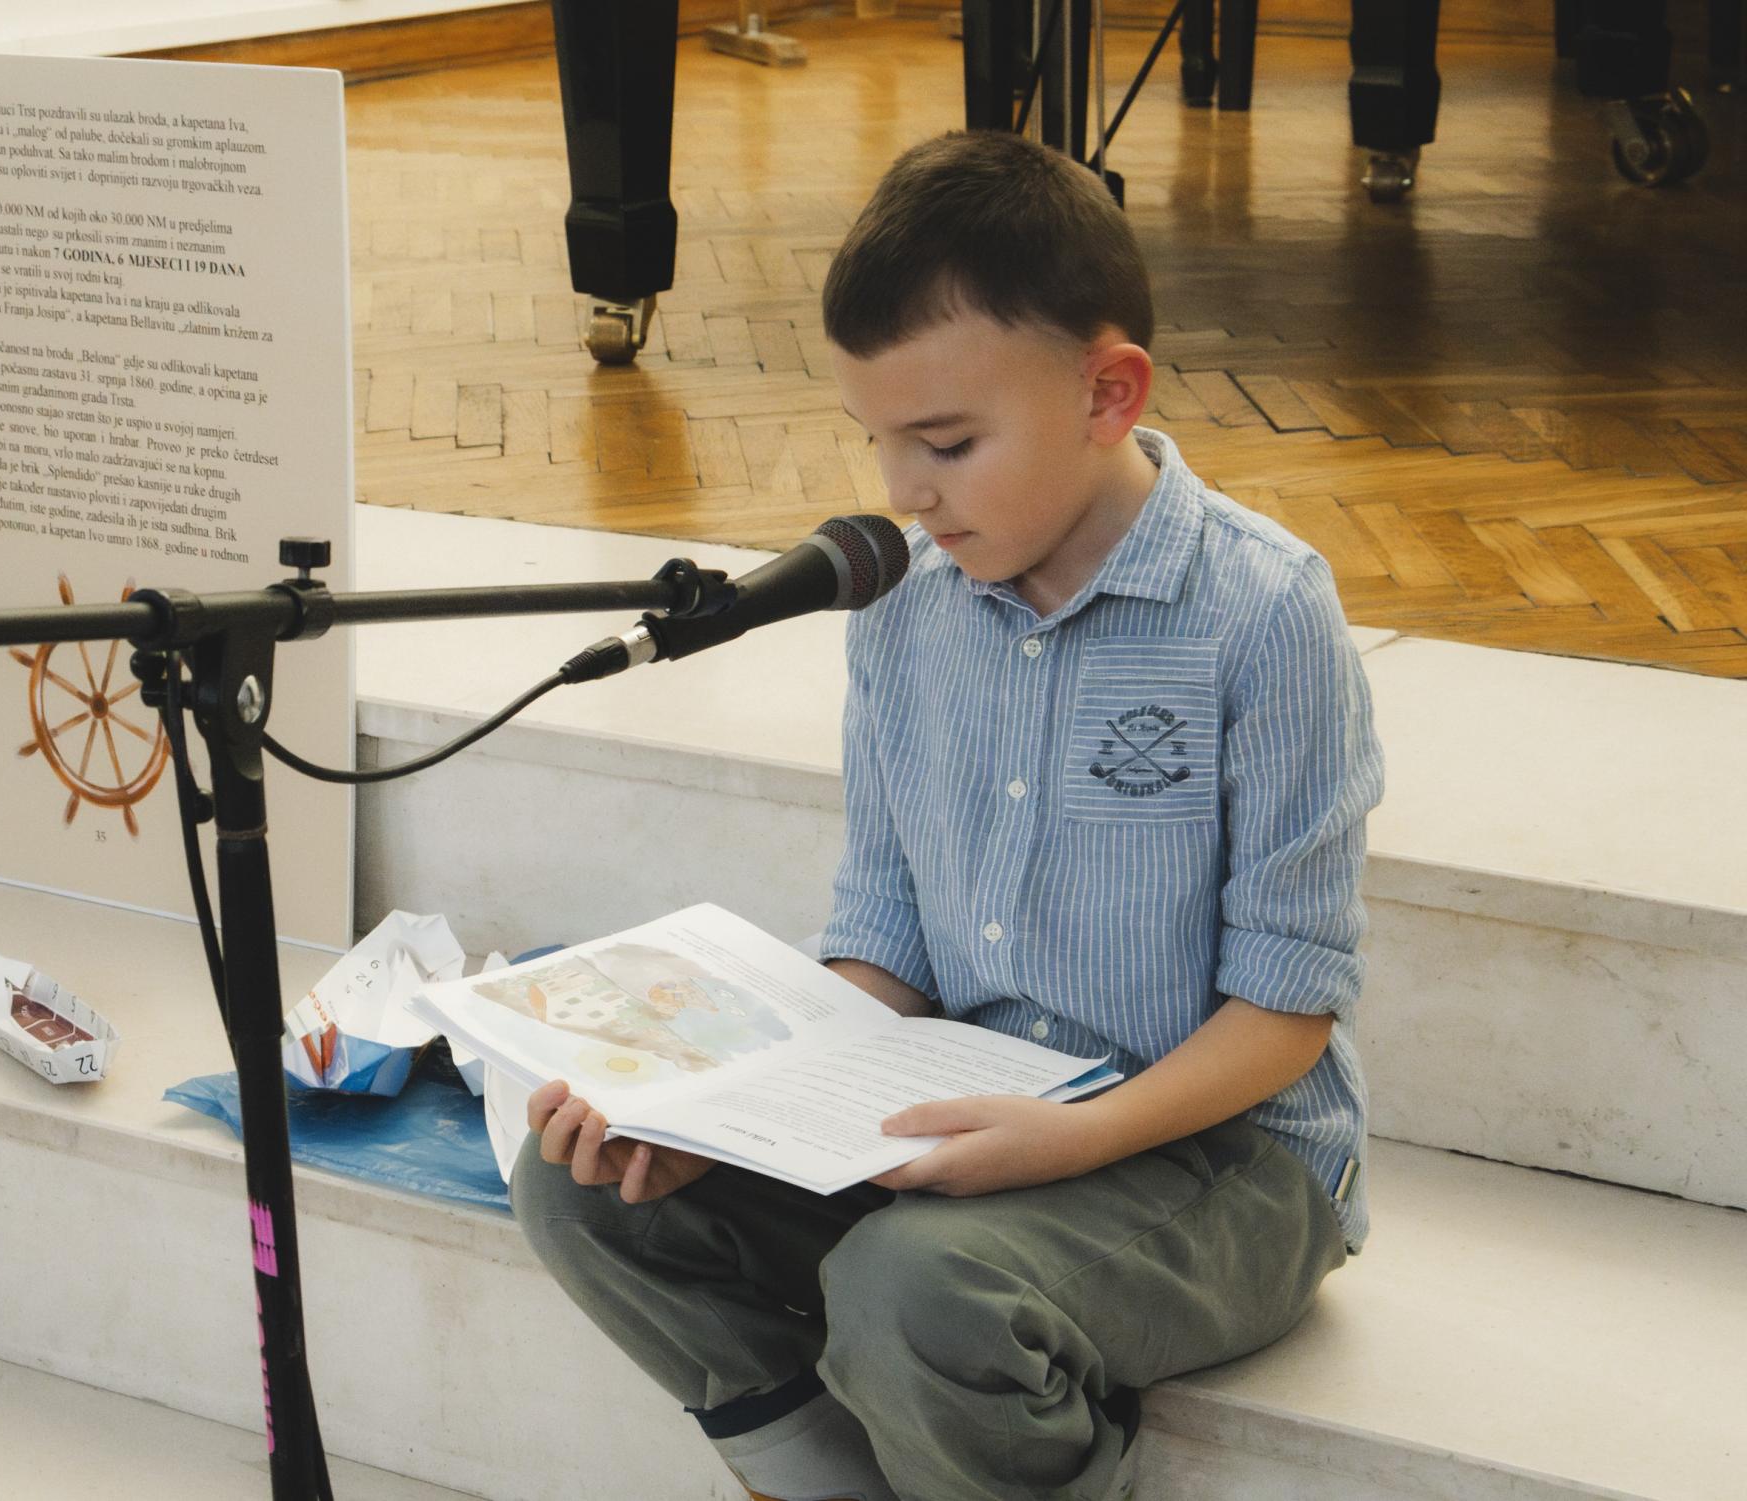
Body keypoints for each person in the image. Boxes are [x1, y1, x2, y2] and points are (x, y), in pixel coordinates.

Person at [509, 129, 1385, 1501]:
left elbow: (1289, 1007)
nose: (904, 492)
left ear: (1107, 393)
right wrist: (713, 1107)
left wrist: (1076, 1138)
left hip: (1222, 1162)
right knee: (581, 1188)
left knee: (916, 1288)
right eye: (879, 441)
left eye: (949, 444)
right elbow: (888, 946)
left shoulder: (1263, 616)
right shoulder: (902, 603)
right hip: (964, 1119)